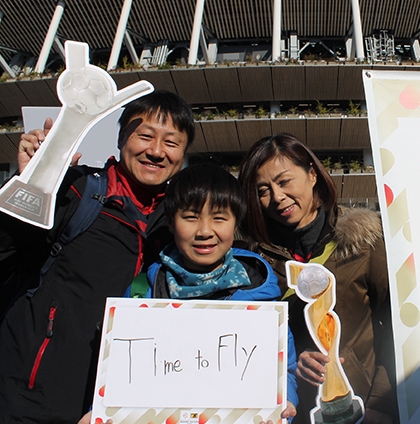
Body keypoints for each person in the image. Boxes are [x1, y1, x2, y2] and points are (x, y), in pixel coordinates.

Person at [0, 90, 195, 423]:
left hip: (119, 403)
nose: (156, 151)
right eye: (145, 136)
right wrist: (30, 184)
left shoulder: (179, 220)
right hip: (33, 393)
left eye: (171, 142)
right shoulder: (75, 189)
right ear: (120, 139)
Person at [238, 134, 398, 424]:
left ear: (312, 174)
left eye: (285, 181)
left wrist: (382, 403)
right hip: (294, 412)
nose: (277, 197)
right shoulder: (255, 262)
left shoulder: (365, 240)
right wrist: (293, 358)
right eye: (263, 190)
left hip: (366, 408)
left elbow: (399, 326)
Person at [121, 163, 297, 419]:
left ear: (235, 222)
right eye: (191, 217)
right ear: (171, 222)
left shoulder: (261, 289)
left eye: (219, 218)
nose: (205, 231)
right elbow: (119, 373)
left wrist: (286, 402)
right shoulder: (143, 291)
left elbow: (285, 370)